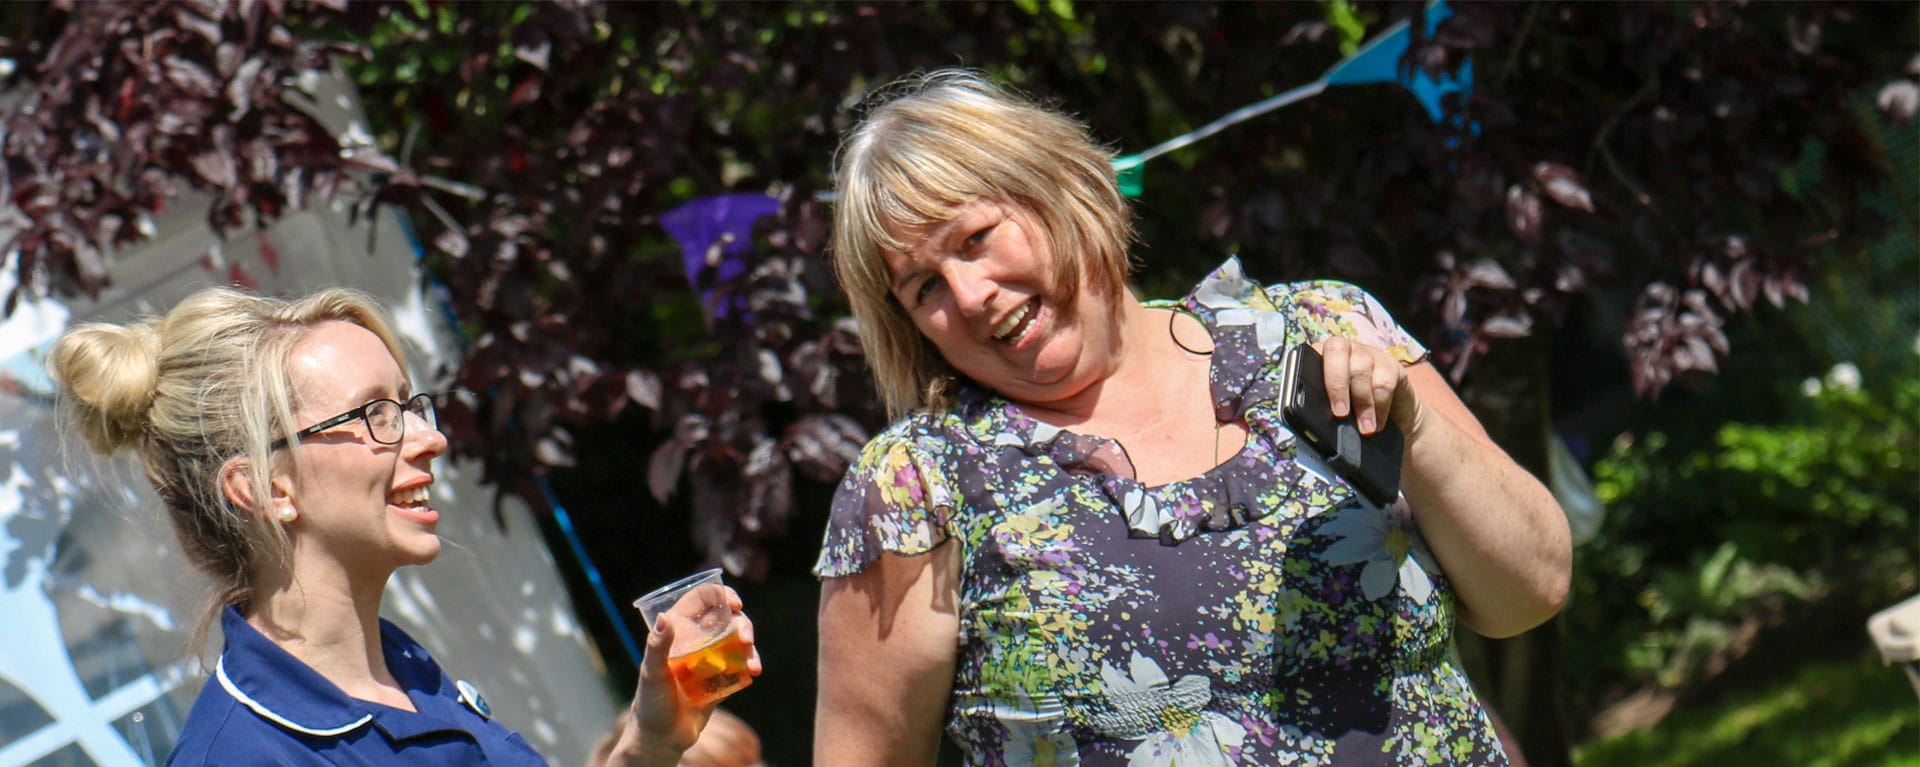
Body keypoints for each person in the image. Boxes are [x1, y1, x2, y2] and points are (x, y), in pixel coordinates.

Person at [812, 69, 1572, 765]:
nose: (970, 294)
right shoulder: (920, 489)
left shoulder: (1318, 334)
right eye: (925, 289)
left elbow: (1530, 588)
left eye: (976, 239)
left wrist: (1418, 434)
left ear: (1058, 187)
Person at [49, 286, 760, 766]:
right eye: (375, 416)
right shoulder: (247, 753)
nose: (429, 437)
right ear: (267, 487)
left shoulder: (404, 672)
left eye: (409, 404)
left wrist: (647, 738)